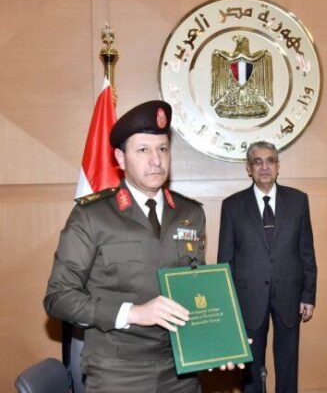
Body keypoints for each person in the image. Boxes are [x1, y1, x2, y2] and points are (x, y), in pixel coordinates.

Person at [44, 101, 207, 392]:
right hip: (117, 372)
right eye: (143, 150)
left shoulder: (190, 213)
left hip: (181, 370)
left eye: (162, 149)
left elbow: (197, 289)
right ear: (120, 158)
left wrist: (219, 341)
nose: (156, 160)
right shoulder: (93, 215)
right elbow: (59, 297)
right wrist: (133, 313)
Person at [217, 141, 317, 393]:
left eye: (270, 161)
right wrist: (228, 305)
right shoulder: (232, 206)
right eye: (257, 162)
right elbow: (225, 260)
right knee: (250, 369)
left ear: (278, 166)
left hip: (290, 295)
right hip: (247, 297)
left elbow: (306, 251)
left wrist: (308, 294)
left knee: (288, 365)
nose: (264, 167)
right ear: (248, 168)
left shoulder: (298, 201)